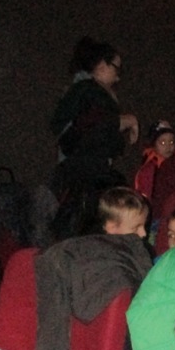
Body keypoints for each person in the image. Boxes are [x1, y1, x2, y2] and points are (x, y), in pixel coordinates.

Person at [49, 36, 139, 238]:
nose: (118, 77)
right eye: (116, 68)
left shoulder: (81, 89)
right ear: (101, 65)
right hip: (86, 171)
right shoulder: (90, 91)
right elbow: (94, 125)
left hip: (80, 171)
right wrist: (126, 120)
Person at [134, 120, 175, 201]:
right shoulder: (148, 170)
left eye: (171, 142)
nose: (168, 146)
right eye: (162, 142)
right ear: (153, 144)